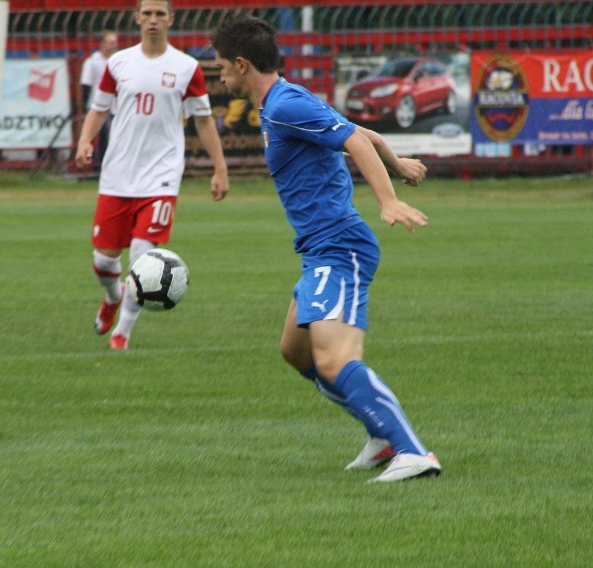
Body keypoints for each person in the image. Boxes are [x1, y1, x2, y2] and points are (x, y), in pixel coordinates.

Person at [210, 16, 441, 482]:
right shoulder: (284, 101)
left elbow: (354, 139)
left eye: (221, 68)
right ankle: (380, 436)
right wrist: (399, 166)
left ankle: (412, 452)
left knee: (335, 359)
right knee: (295, 351)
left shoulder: (284, 106)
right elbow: (363, 134)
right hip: (319, 250)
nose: (219, 77)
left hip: (340, 246)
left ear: (241, 64)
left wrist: (389, 199)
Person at [75, 0, 229, 350]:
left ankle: (122, 333)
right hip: (117, 175)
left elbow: (204, 121)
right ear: (137, 18)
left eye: (161, 13)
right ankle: (113, 298)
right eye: (148, 13)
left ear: (171, 19)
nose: (154, 20)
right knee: (104, 260)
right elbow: (98, 109)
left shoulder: (187, 67)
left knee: (142, 259)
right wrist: (85, 141)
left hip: (161, 177)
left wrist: (220, 169)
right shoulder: (118, 63)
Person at [79, 30, 119, 170]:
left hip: (116, 107)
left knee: (114, 137)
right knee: (104, 137)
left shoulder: (117, 61)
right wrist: (85, 106)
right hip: (98, 106)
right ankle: (101, 166)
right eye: (110, 43)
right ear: (102, 44)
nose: (113, 46)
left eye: (115, 42)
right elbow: (86, 85)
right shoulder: (92, 62)